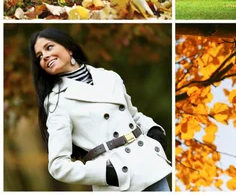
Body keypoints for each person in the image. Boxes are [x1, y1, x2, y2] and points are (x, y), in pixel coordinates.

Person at [30, 28, 171, 191]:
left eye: (49, 47)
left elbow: (132, 116)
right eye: (39, 56)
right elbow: (58, 166)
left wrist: (154, 130)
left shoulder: (110, 77)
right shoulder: (56, 101)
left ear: (69, 48)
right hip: (119, 183)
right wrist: (106, 173)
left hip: (149, 166)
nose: (45, 56)